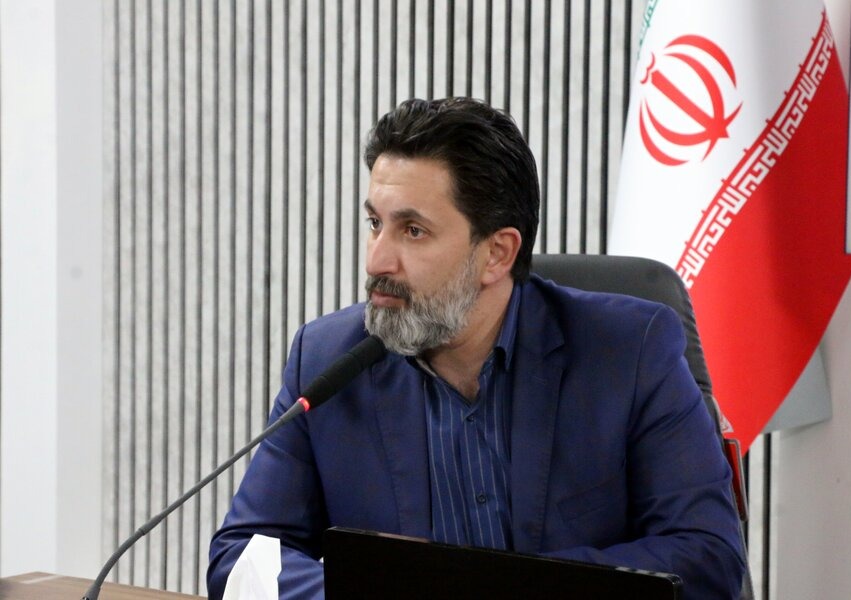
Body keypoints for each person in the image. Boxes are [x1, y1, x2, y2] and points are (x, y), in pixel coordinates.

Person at [208, 97, 746, 599]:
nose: (376, 260)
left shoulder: (629, 351)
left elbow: (707, 556)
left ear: (497, 253)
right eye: (375, 224)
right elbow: (241, 557)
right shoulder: (326, 360)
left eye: (412, 231)